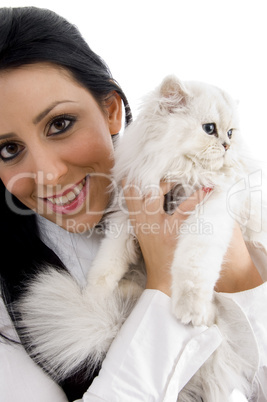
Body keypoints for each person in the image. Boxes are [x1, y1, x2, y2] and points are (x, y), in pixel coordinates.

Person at [0, 6, 266, 402]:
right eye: (8, 149)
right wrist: (161, 286)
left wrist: (242, 275)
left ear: (111, 110)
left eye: (59, 124)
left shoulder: (233, 191)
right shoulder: (8, 313)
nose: (47, 174)